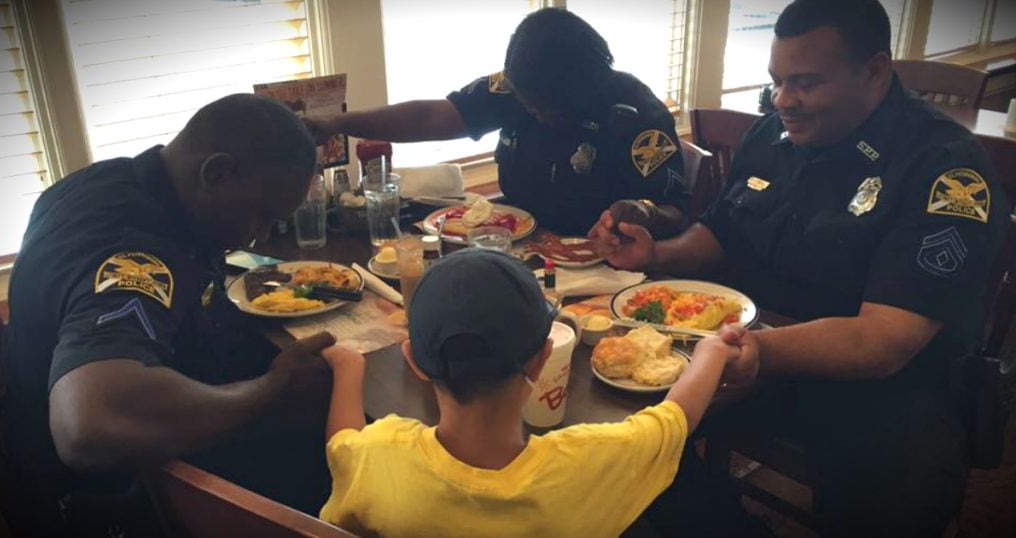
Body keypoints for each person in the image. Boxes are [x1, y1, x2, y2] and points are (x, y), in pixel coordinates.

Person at [590, 0, 1007, 535]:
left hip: (886, 388)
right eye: (777, 81)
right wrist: (655, 255)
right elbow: (722, 232)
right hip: (750, 354)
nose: (784, 100)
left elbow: (882, 342)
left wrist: (756, 350)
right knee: (627, 439)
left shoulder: (944, 169)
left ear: (875, 70)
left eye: (806, 84)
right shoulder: (772, 136)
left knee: (894, 473)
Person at [2, 94, 336, 536]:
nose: (257, 237)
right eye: (261, 215)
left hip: (93, 436)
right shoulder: (136, 252)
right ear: (216, 172)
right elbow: (89, 424)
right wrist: (269, 392)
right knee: (348, 458)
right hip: (115, 494)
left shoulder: (101, 182)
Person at [316, 248, 756, 536]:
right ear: (541, 358)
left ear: (414, 362)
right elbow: (676, 417)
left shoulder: (379, 456)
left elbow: (342, 445)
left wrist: (347, 366)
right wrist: (713, 349)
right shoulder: (593, 460)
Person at [307, 8, 690, 236]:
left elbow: (679, 213)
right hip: (518, 250)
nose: (533, 113)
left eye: (544, 109)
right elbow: (432, 116)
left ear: (580, 90)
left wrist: (645, 212)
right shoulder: (517, 87)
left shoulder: (639, 118)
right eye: (527, 104)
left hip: (606, 272)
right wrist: (339, 122)